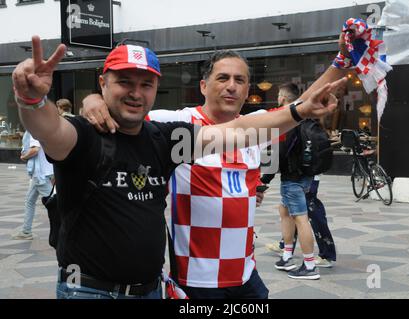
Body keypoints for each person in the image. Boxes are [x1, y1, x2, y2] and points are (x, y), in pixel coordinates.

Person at [12, 35, 345, 299]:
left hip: (170, 286)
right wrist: (33, 101)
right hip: (96, 289)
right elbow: (50, 130)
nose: (135, 93)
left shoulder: (165, 138)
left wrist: (317, 92)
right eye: (124, 82)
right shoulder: (91, 135)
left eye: (145, 84)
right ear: (104, 82)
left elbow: (242, 132)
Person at [260, 83, 320, 280]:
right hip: (305, 176)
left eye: (278, 94)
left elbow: (278, 154)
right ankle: (287, 256)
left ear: (284, 98)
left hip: (292, 178)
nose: (277, 97)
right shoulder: (304, 117)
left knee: (301, 219)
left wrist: (264, 179)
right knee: (284, 210)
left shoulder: (286, 119)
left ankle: (310, 266)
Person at [12, 130, 53, 240]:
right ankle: (26, 231)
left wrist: (24, 157)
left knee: (54, 205)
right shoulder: (42, 127)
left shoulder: (33, 130)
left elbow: (35, 149)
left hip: (39, 174)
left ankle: (71, 230)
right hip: (42, 172)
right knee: (30, 201)